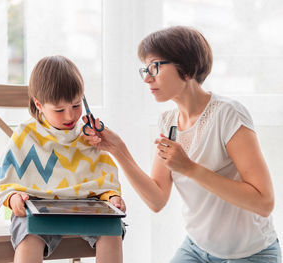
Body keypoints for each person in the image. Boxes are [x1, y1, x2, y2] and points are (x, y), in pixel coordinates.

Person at [83, 26, 281, 262]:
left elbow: (263, 202)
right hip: (196, 249)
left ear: (186, 69)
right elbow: (157, 200)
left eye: (155, 67)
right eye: (145, 69)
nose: (147, 78)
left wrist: (189, 168)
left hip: (251, 254)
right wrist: (117, 149)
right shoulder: (168, 123)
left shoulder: (228, 115)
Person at [0, 55, 126, 263]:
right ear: (39, 105)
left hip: (86, 207)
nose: (70, 116)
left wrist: (112, 198)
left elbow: (103, 180)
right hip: (38, 207)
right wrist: (13, 197)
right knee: (28, 234)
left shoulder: (89, 134)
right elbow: (2, 181)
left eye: (76, 105)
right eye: (59, 110)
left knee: (112, 229)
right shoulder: (27, 134)